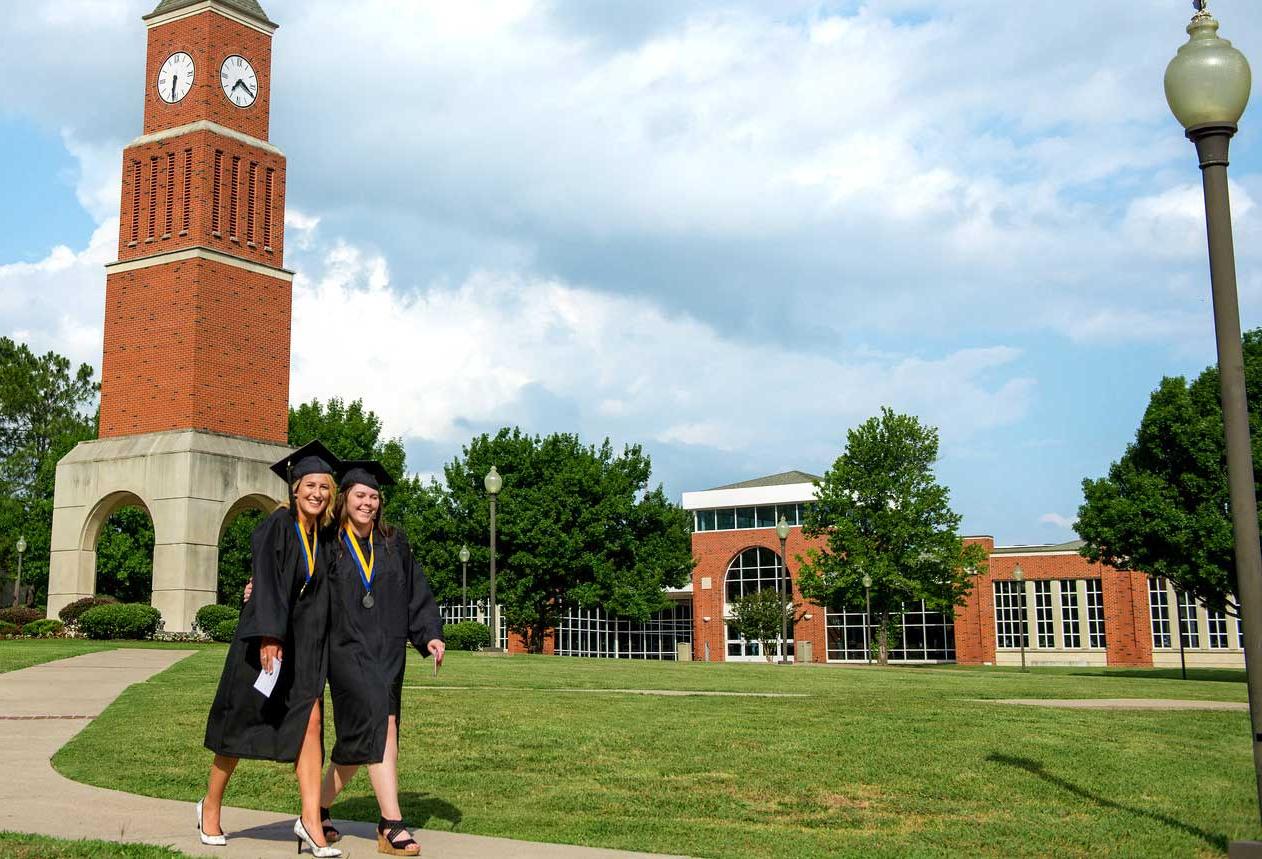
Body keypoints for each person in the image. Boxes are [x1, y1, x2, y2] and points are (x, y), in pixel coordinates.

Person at [200, 440, 344, 858]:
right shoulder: (277, 527)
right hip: (264, 648)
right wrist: (268, 635)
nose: (317, 493)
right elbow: (265, 579)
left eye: (324, 487)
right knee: (240, 728)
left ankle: (311, 823)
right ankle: (210, 806)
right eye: (310, 485)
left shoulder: (323, 535)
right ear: (294, 488)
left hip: (305, 652)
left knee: (311, 723)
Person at [319, 460, 445, 857]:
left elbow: (415, 593)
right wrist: (260, 589)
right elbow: (296, 583)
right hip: (345, 651)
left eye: (374, 496)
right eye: (360, 495)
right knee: (382, 725)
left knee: (360, 742)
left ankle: (316, 809)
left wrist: (431, 636)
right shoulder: (328, 544)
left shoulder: (394, 543)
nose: (368, 502)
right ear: (345, 499)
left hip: (388, 652)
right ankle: (391, 824)